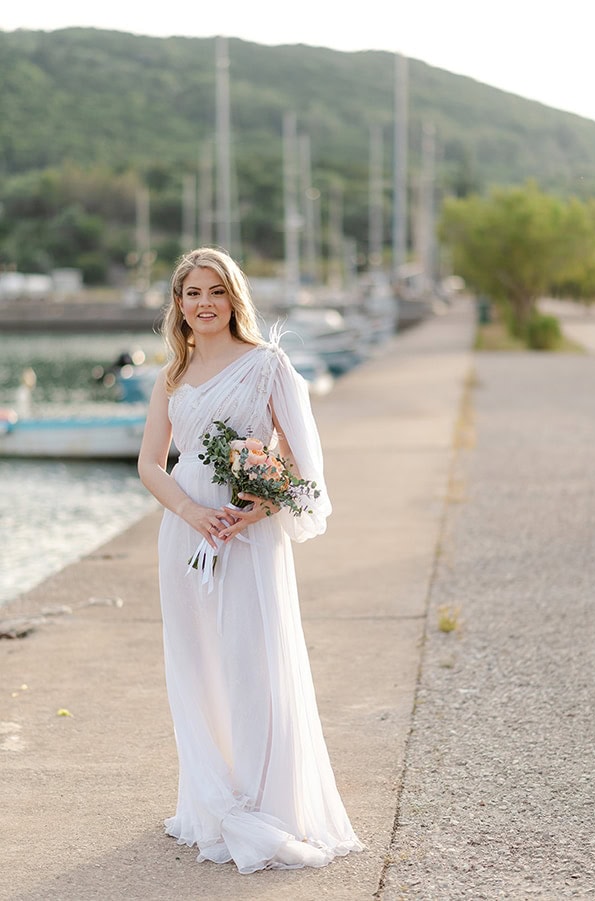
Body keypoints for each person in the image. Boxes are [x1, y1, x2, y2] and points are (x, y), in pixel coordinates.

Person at [138, 247, 363, 874]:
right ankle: (213, 799)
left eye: (215, 291)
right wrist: (190, 514)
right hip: (186, 536)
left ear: (234, 297)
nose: (203, 304)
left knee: (251, 660)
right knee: (196, 662)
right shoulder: (172, 377)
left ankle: (269, 801)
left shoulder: (269, 366)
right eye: (191, 294)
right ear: (178, 305)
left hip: (246, 535)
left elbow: (299, 465)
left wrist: (255, 511)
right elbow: (151, 464)